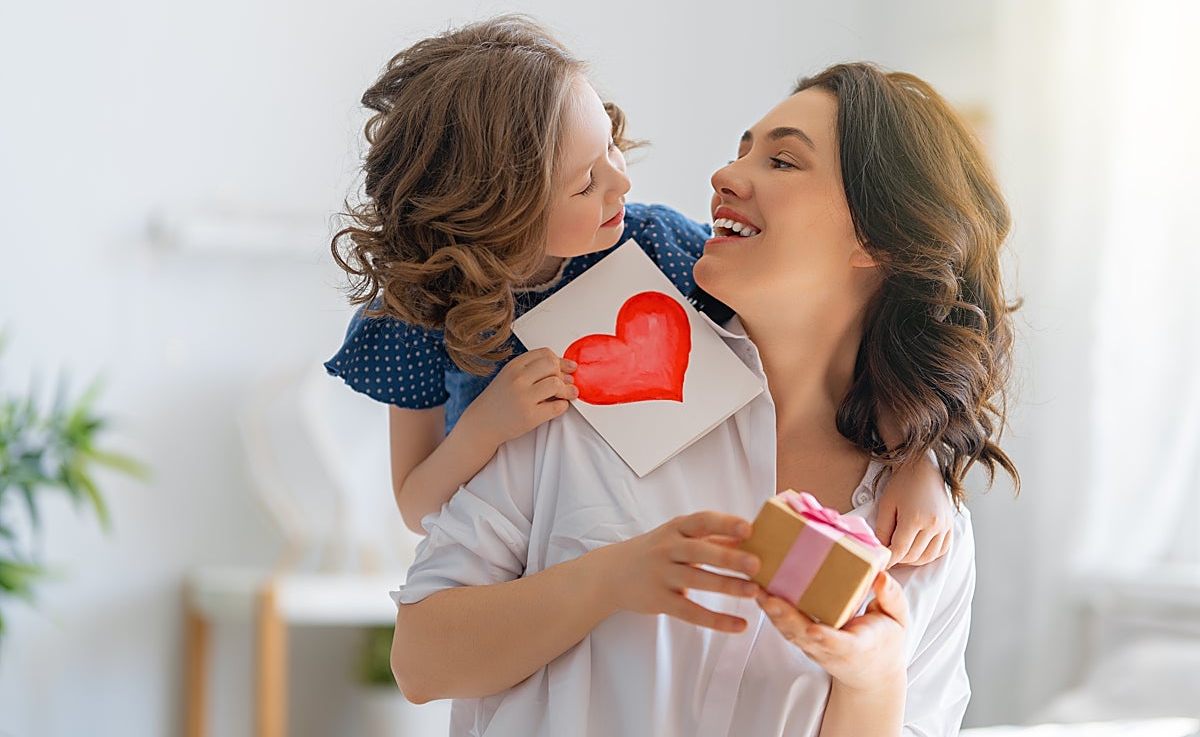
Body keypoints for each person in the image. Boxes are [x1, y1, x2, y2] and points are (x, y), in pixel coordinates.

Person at [388, 62, 1021, 736]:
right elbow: (421, 661)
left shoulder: (919, 531)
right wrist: (610, 578)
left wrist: (873, 679)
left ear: (878, 240)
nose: (726, 175)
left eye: (782, 161)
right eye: (741, 150)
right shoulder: (588, 385)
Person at [327, 16, 954, 567]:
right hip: (511, 562)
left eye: (612, 145)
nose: (621, 183)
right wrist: (487, 427)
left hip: (648, 544)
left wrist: (916, 458)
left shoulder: (659, 248)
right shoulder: (414, 316)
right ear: (497, 212)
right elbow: (415, 506)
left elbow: (844, 352)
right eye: (585, 183)